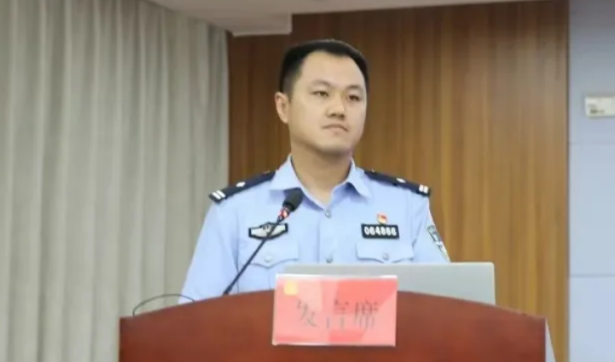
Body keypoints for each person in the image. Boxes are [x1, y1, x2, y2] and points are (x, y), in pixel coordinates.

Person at [181, 38, 450, 302]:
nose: (339, 109)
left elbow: (448, 309)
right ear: (283, 107)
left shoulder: (406, 206)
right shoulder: (234, 212)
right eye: (322, 94)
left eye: (353, 97)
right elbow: (196, 320)